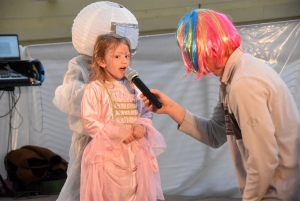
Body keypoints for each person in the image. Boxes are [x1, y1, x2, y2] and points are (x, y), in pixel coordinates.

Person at [141, 9, 300, 200]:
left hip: (277, 193)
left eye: (187, 50)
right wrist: (170, 108)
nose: (188, 57)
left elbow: (263, 160)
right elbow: (215, 134)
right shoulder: (233, 77)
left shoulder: (244, 83)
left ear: (200, 47)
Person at [52, 2, 139, 200]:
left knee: (118, 185)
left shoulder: (121, 66)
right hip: (90, 139)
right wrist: (101, 93)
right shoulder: (80, 64)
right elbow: (68, 95)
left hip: (121, 140)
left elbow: (133, 102)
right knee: (84, 184)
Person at [79, 33, 166, 201]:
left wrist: (142, 125)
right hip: (110, 155)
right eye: (117, 56)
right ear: (101, 61)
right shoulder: (95, 89)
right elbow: (90, 121)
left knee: (137, 191)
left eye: (126, 56)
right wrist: (118, 133)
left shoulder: (134, 86)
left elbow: (146, 110)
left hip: (136, 153)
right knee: (113, 194)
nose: (124, 61)